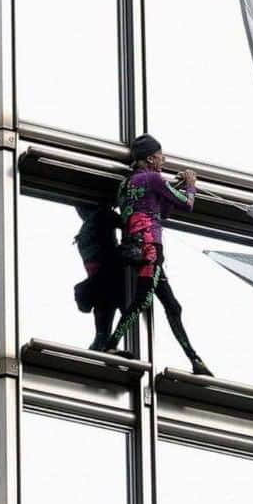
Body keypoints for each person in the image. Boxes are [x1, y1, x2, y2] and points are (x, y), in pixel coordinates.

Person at [105, 133, 213, 376]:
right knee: (143, 299)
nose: (163, 160)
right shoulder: (153, 178)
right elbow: (187, 203)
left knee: (173, 306)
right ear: (152, 158)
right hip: (151, 247)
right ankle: (110, 345)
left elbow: (161, 210)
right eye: (161, 156)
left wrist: (170, 189)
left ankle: (195, 360)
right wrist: (190, 184)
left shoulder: (126, 184)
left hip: (136, 246)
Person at [72, 200, 124, 351]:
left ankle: (103, 345)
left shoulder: (85, 230)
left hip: (102, 279)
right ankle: (104, 345)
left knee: (102, 330)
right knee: (120, 309)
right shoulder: (101, 216)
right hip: (107, 276)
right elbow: (129, 224)